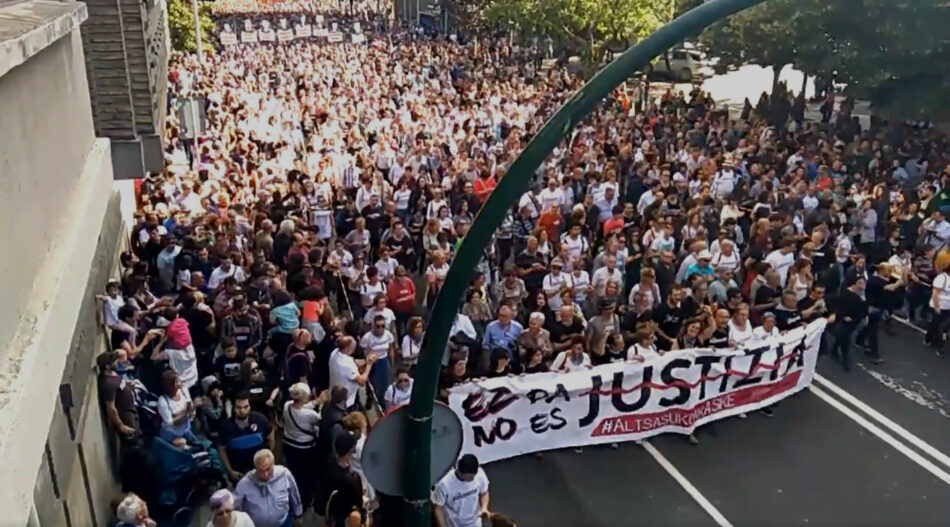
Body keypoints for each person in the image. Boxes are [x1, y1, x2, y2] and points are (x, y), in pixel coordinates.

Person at [234, 449, 304, 527]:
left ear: (273, 464)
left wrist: (298, 514)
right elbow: (235, 506)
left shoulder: (284, 475)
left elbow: (294, 494)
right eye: (261, 471)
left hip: (283, 523)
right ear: (255, 468)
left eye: (268, 469)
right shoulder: (245, 484)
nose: (265, 474)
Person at [219, 392, 273, 482]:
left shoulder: (260, 420)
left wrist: (267, 462)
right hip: (238, 474)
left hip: (260, 471)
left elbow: (271, 438)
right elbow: (221, 450)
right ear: (233, 408)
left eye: (245, 407)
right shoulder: (225, 427)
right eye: (239, 407)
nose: (242, 411)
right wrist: (230, 471)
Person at [282, 382, 320, 508]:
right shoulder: (310, 415)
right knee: (305, 476)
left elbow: (302, 408)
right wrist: (320, 404)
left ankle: (292, 498)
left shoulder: (287, 406)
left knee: (294, 473)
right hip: (304, 449)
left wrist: (316, 402)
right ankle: (305, 501)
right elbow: (318, 420)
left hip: (288, 445)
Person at [432, 454, 490, 527]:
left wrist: (484, 508)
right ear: (461, 472)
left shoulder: (480, 474)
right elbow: (438, 508)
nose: (473, 478)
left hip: (475, 523)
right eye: (471, 476)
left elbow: (484, 492)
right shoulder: (444, 484)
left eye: (474, 475)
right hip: (454, 524)